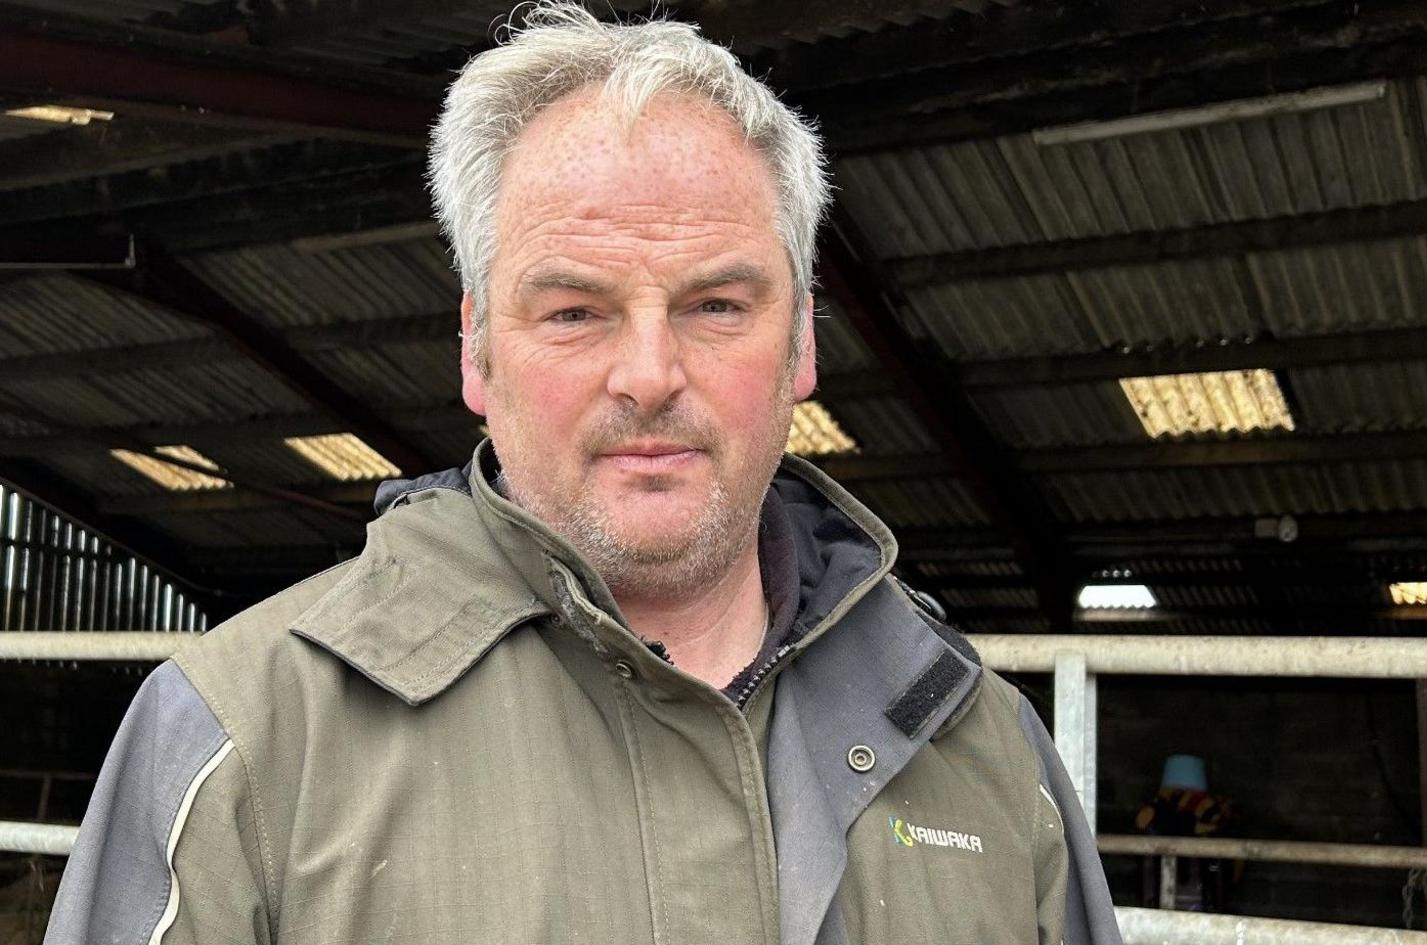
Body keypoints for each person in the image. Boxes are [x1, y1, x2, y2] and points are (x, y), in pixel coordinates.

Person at [44, 5, 1120, 943]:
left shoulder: (977, 745)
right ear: (475, 351)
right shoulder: (241, 739)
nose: (649, 376)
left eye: (717, 306)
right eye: (574, 311)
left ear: (800, 347)